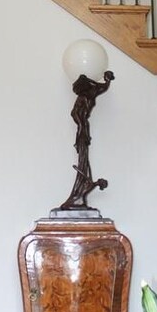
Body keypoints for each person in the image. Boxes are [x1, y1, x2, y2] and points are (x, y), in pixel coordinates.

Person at [59, 70, 115, 210]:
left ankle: (79, 195)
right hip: (82, 128)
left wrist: (107, 80)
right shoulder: (83, 97)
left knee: (84, 160)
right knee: (83, 157)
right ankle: (77, 196)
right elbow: (74, 113)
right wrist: (81, 123)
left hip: (84, 128)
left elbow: (103, 87)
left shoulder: (93, 92)